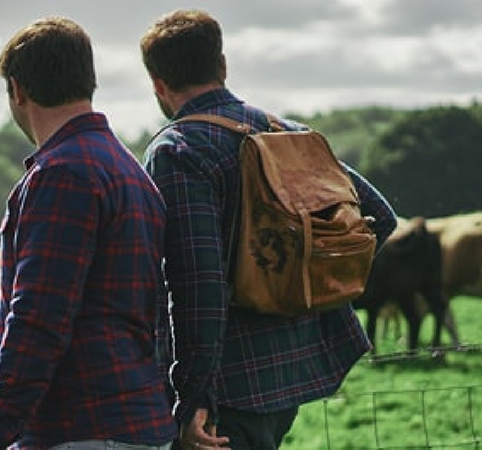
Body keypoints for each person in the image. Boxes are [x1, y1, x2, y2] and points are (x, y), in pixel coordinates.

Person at [138, 10, 398, 450]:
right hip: (288, 372)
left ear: (158, 84)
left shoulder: (178, 150)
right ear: (222, 66)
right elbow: (379, 217)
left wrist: (192, 397)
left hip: (227, 386)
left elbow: (199, 286)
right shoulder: (286, 133)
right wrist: (295, 292)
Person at [0, 16, 177, 450]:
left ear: (17, 90)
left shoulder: (63, 174)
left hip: (80, 425)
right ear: (88, 81)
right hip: (139, 417)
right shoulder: (129, 170)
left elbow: (38, 320)